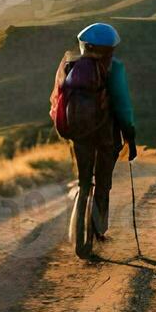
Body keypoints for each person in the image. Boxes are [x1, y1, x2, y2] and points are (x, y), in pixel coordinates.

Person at [52, 22, 136, 240]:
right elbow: (123, 106)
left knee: (84, 180)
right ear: (109, 48)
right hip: (106, 136)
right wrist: (130, 136)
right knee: (103, 183)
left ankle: (79, 226)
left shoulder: (70, 66)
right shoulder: (114, 68)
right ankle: (98, 231)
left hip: (79, 134)